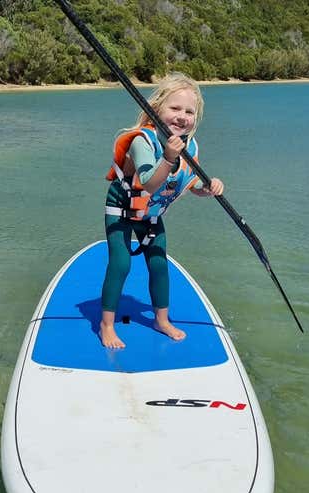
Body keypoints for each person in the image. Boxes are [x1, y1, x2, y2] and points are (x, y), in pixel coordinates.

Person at [99, 72, 224, 349]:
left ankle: (161, 320)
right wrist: (168, 157)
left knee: (159, 264)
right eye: (175, 108)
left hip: (151, 214)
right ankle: (106, 325)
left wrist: (210, 188)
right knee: (121, 263)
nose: (182, 116)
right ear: (157, 109)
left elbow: (189, 184)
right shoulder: (142, 142)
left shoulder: (189, 146)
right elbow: (149, 184)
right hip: (122, 208)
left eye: (189, 111)